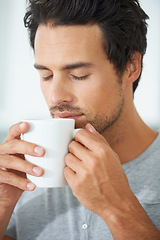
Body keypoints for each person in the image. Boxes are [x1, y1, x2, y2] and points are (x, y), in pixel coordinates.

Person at [0, 0, 160, 239]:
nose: (55, 96)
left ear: (131, 66)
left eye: (78, 75)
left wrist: (118, 208)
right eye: (46, 75)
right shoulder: (23, 177)